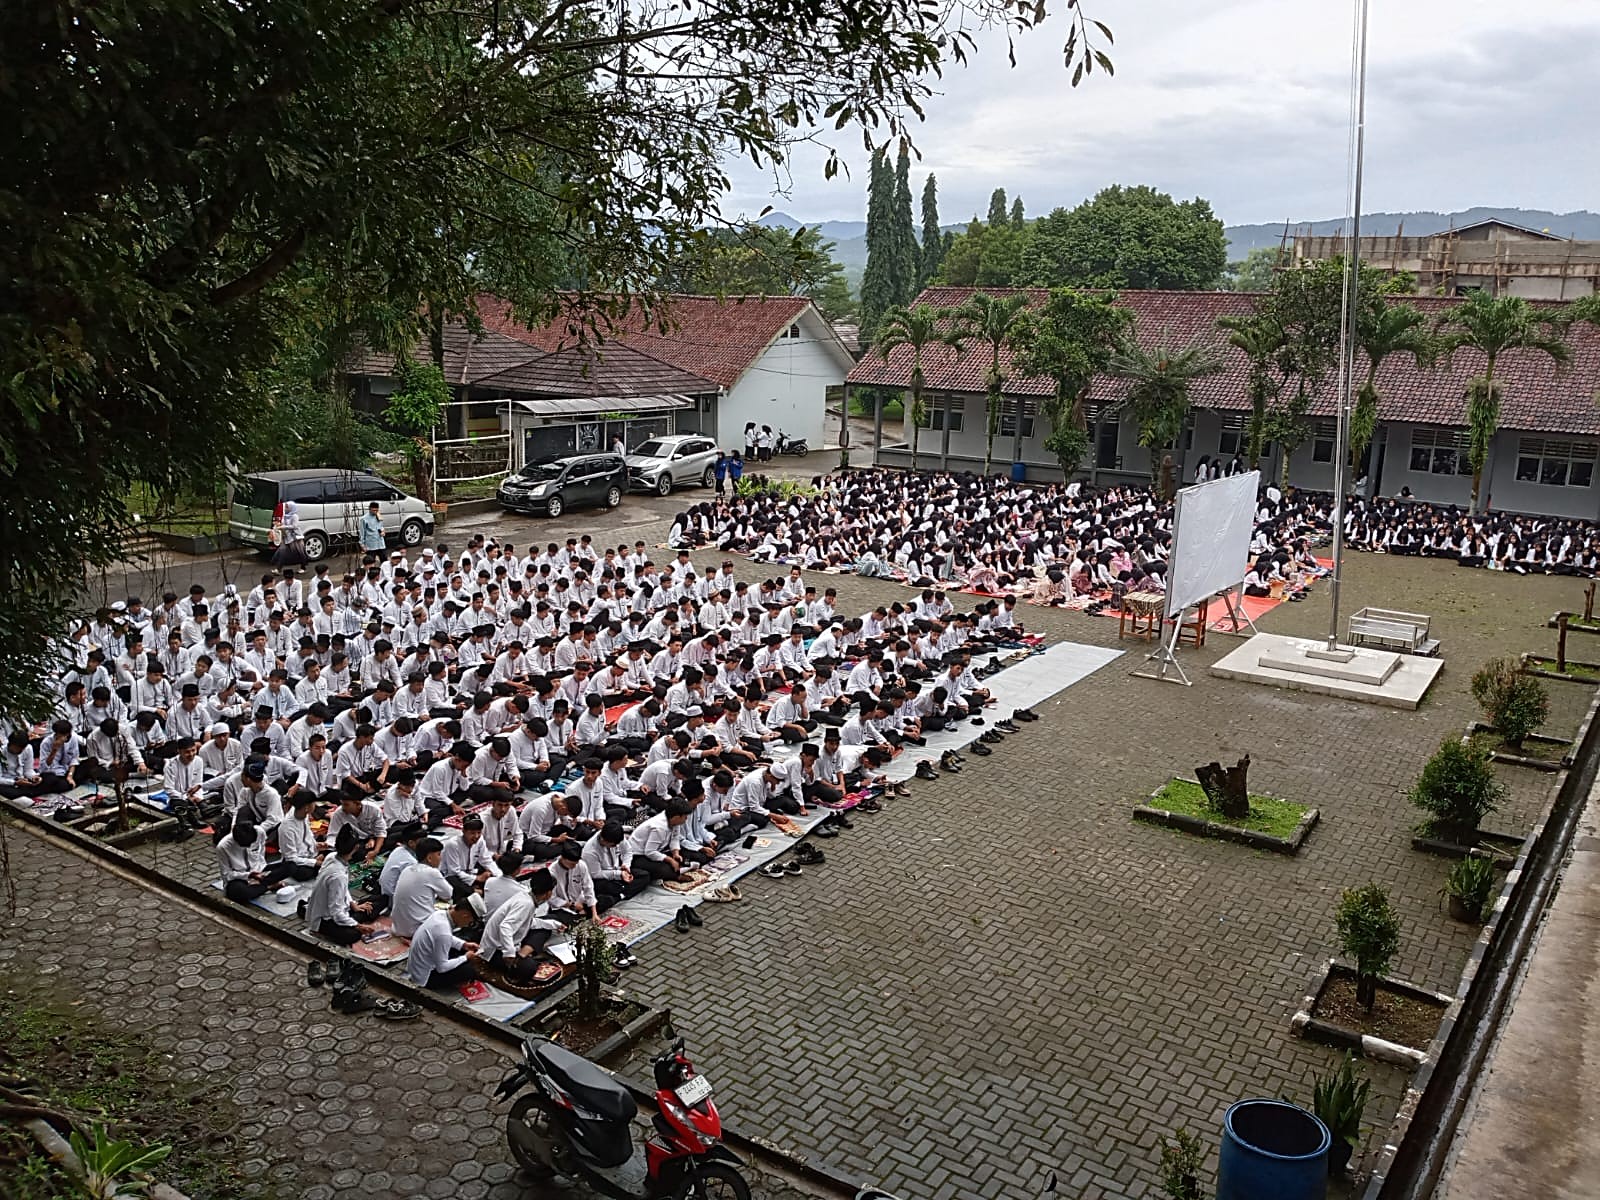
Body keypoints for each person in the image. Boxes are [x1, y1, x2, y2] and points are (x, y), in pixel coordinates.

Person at [479, 868, 564, 981]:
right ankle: (520, 957)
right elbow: (505, 927)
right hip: (496, 950)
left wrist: (554, 925)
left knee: (550, 921)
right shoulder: (526, 904)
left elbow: (527, 922)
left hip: (512, 938)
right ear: (548, 893)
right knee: (529, 968)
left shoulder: (527, 897)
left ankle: (522, 953)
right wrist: (509, 953)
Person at [304, 827, 376, 945]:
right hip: (325, 919)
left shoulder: (332, 856)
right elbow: (336, 913)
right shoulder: (337, 875)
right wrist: (357, 926)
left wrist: (353, 904)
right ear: (356, 847)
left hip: (339, 908)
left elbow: (343, 891)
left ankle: (355, 915)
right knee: (354, 934)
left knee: (377, 900)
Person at [406, 894, 485, 989]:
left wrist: (463, 945)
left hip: (417, 968)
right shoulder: (444, 932)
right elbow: (442, 967)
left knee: (460, 949)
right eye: (470, 922)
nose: (467, 925)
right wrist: (466, 957)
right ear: (465, 916)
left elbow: (444, 938)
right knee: (469, 971)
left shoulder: (439, 914)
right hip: (424, 978)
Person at [390, 836, 455, 937]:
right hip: (418, 929)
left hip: (398, 928)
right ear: (429, 858)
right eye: (438, 855)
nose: (440, 858)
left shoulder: (407, 869)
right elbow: (448, 894)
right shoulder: (432, 872)